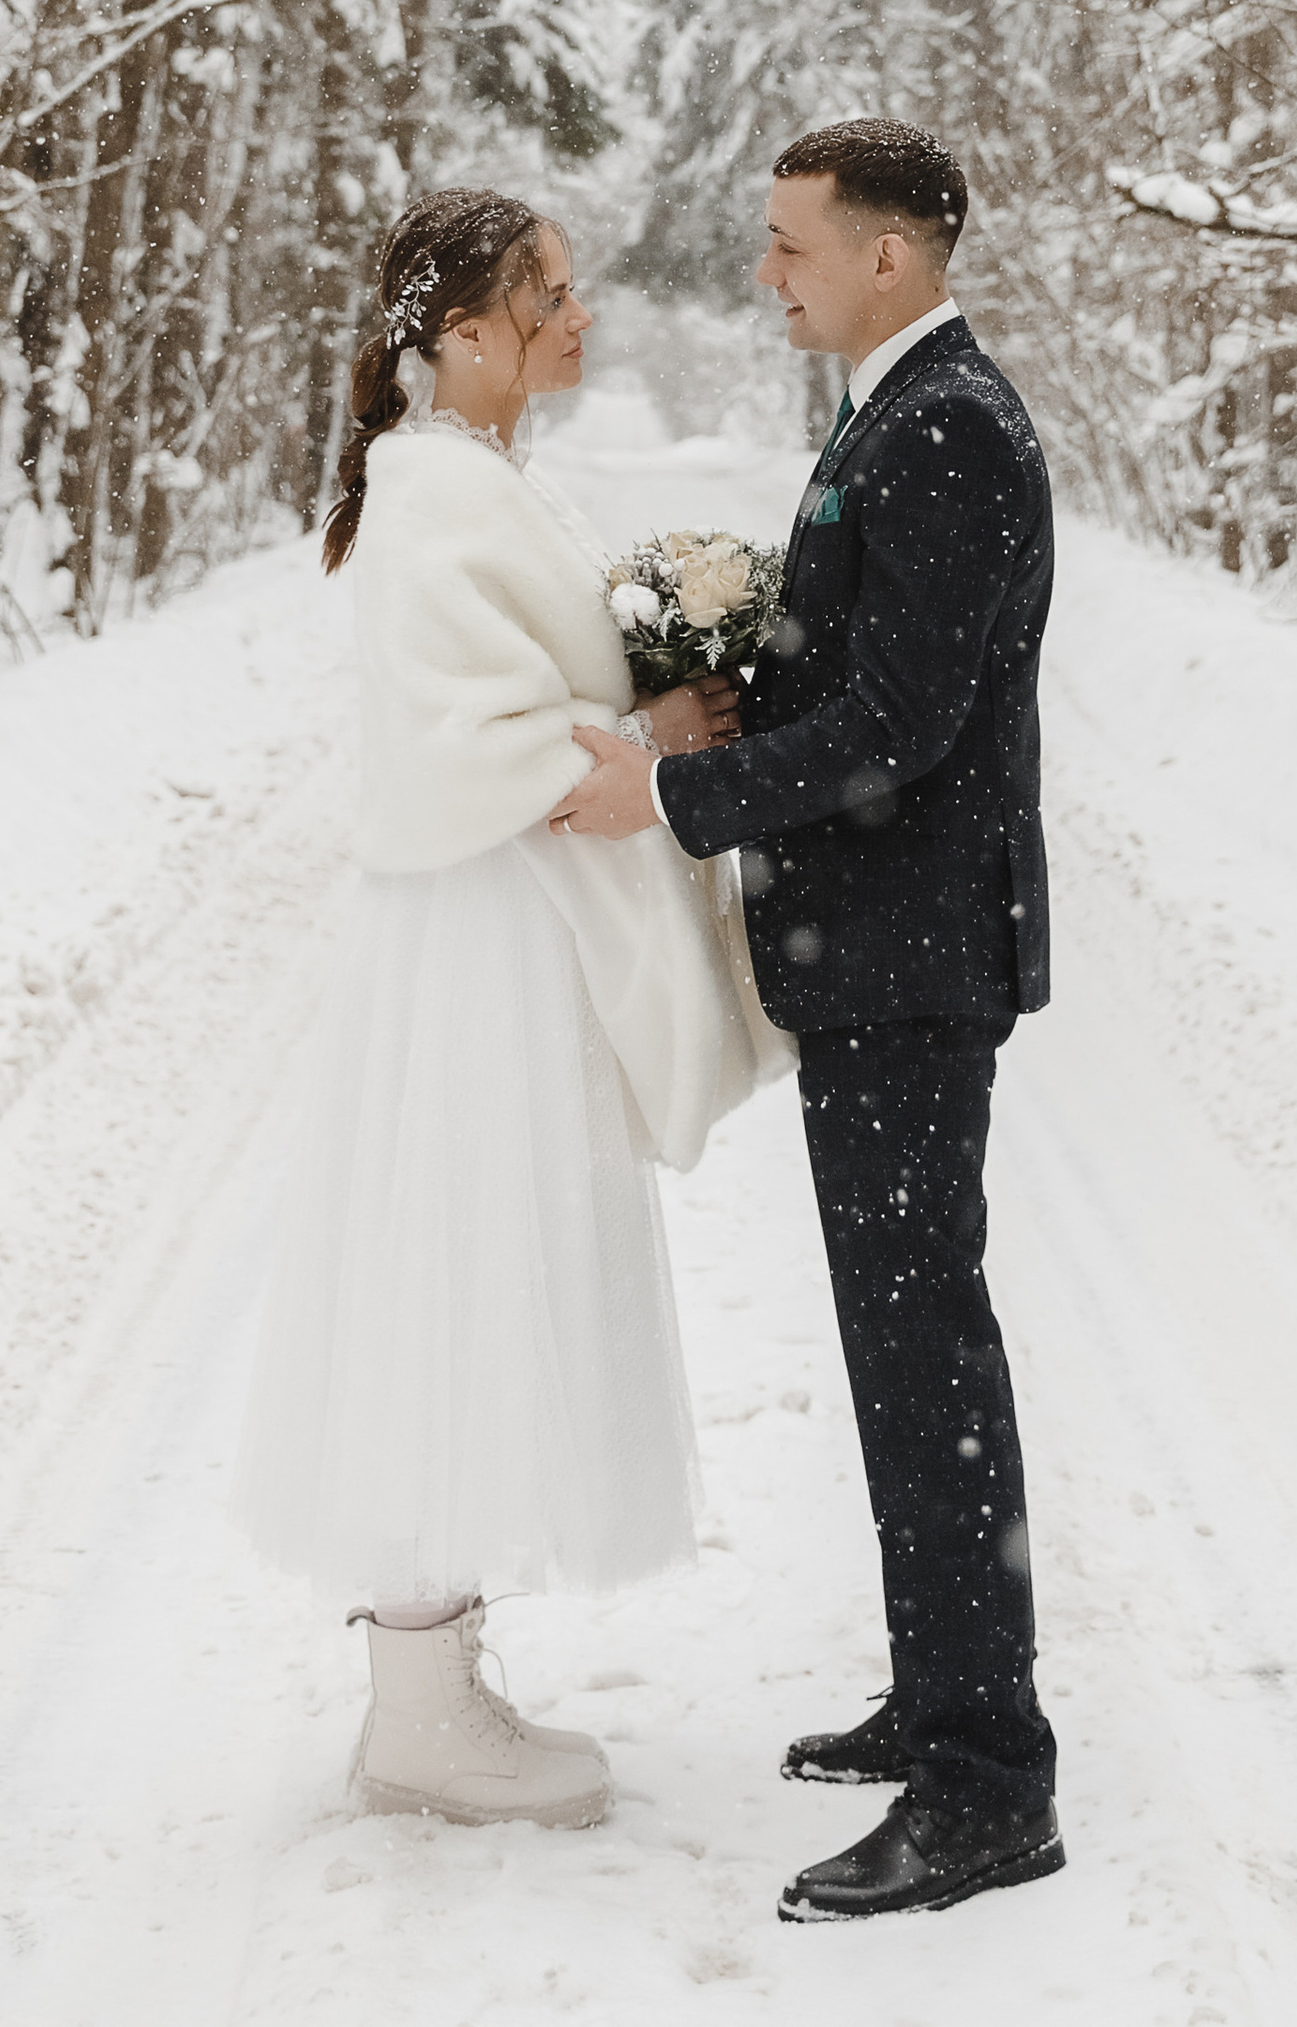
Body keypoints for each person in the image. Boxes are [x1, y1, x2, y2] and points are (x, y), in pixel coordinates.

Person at [561, 118, 1060, 1923]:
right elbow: (855, 670)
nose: (765, 273)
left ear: (893, 254)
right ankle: (945, 1699)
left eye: (790, 245)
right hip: (883, 961)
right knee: (900, 1345)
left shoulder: (951, 432)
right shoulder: (888, 411)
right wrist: (719, 680)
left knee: (925, 1355)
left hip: (917, 967)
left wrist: (678, 799)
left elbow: (905, 729)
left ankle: (990, 1781)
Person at [235, 188, 783, 1829]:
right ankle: (418, 1711)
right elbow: (455, 751)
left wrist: (648, 702)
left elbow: (529, 700)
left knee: (479, 1267)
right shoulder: (430, 499)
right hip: (474, 945)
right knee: (455, 1274)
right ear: (460, 330)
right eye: (545, 290)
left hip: (501, 931)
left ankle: (434, 1684)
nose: (578, 309)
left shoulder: (471, 480)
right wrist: (656, 742)